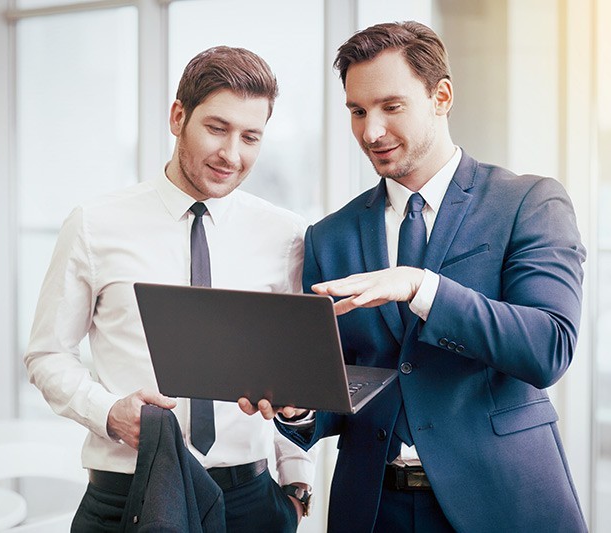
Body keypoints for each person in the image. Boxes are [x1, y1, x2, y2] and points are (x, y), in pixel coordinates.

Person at [241, 21, 588, 532]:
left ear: (441, 96)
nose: (371, 131)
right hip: (374, 509)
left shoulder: (528, 202)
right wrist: (299, 408)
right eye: (357, 111)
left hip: (503, 502)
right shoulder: (329, 237)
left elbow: (547, 347)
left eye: (391, 106)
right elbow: (344, 386)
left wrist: (422, 287)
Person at [25, 45, 315, 533]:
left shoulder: (286, 235)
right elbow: (46, 353)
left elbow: (285, 373)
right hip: (126, 493)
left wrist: (297, 483)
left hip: (249, 498)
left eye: (251, 137)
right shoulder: (95, 225)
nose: (232, 154)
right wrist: (108, 412)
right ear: (178, 116)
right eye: (217, 128)